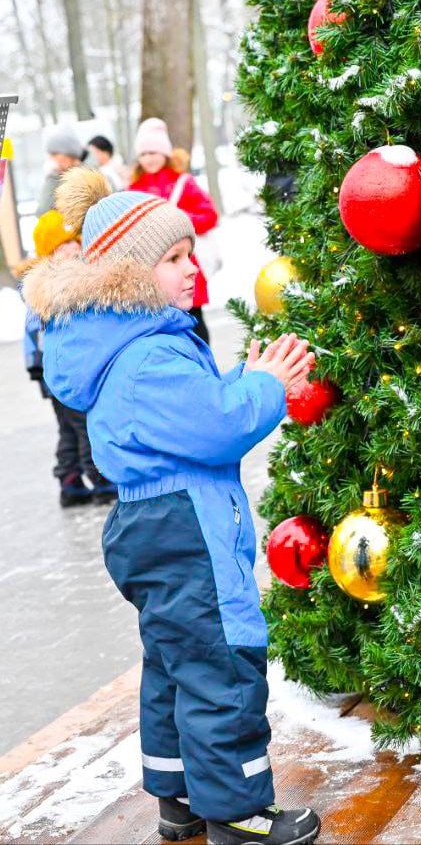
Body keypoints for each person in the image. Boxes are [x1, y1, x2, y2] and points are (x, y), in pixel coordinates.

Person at [22, 167, 321, 845]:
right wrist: (267, 384)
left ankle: (178, 794)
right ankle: (239, 810)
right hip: (186, 527)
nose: (192, 270)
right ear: (129, 274)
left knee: (175, 664)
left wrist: (245, 376)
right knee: (220, 665)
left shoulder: (122, 348)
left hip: (150, 522)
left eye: (190, 254)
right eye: (173, 258)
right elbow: (215, 428)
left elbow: (190, 419)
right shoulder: (150, 356)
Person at [19, 210, 118, 508]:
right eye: (64, 247)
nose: (73, 250)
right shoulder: (49, 285)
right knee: (84, 423)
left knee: (68, 427)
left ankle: (70, 480)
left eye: (76, 243)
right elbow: (38, 330)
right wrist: (37, 364)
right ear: (49, 253)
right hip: (62, 370)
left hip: (57, 368)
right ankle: (101, 480)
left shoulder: (67, 278)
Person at [128, 117, 218, 344]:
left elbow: (209, 215)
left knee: (194, 320)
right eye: (143, 154)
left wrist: (177, 221)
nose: (148, 158)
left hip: (185, 263)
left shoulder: (183, 183)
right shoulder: (133, 188)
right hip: (151, 267)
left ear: (165, 153)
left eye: (153, 152)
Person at [36, 126, 86, 217]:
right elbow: (42, 213)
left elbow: (44, 211)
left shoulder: (87, 177)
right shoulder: (59, 177)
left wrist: (52, 178)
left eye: (54, 154)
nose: (51, 158)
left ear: (69, 154)